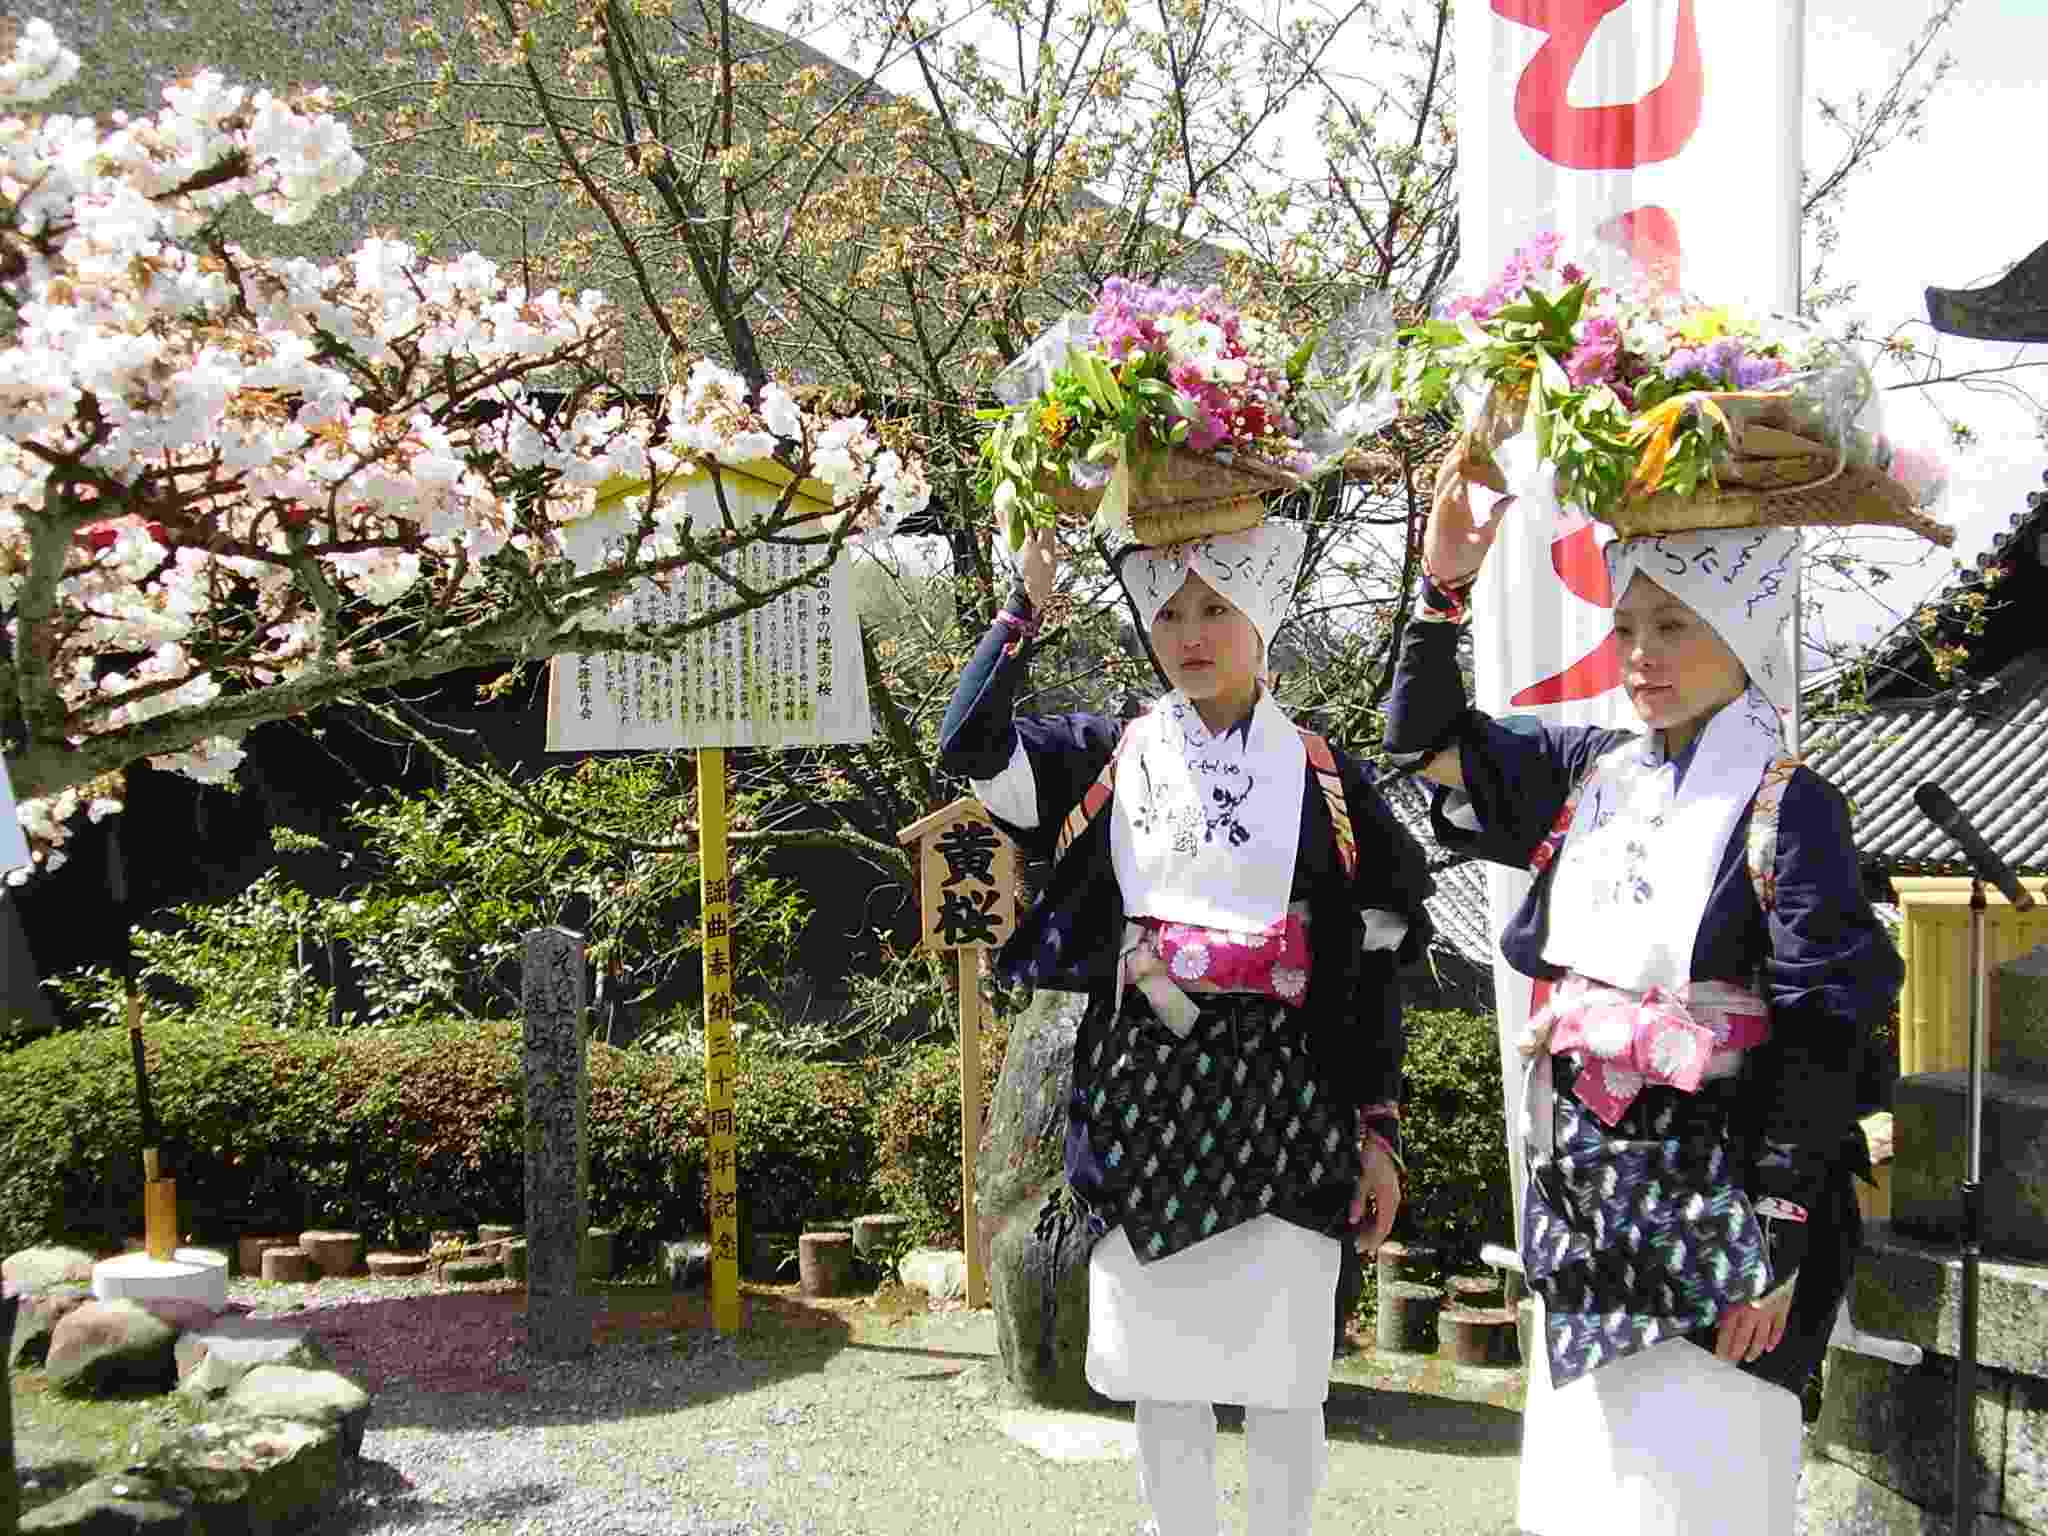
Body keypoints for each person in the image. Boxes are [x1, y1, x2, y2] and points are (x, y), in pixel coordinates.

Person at [1385, 450, 1900, 1536]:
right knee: (1587, 1490)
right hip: (1587, 1192)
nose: (1641, 655)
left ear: (1741, 628)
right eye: (1626, 629)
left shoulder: (1787, 807)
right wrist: (1443, 591)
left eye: (1673, 626)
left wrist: (1780, 1233)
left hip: (1723, 1201)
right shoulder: (1594, 770)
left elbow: (1819, 1032)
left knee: (1700, 1486)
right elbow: (1427, 748)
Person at [938, 520, 1433, 1536]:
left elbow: (1377, 962)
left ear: (1262, 617)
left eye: (1215, 609)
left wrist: (1376, 1126)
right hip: (1143, 1103)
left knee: (1287, 1381)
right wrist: (1021, 603)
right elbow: (972, 748)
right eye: (1167, 611)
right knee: (1163, 1380)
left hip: (1289, 1105)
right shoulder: (1105, 756)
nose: (1190, 634)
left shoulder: (1326, 780)